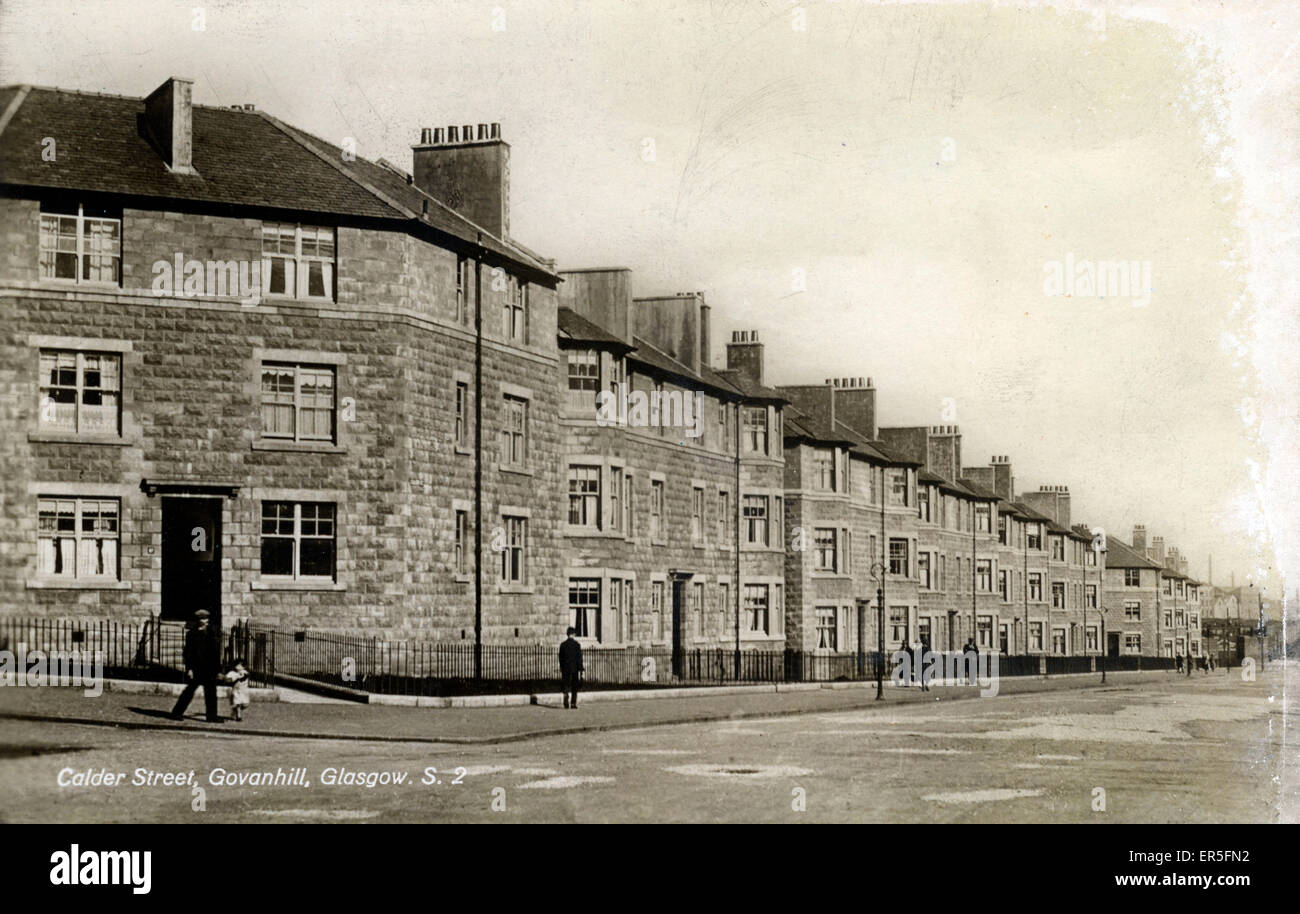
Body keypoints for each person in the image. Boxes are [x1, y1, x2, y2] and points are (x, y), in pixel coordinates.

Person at [170, 609, 222, 722]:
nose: (205, 621)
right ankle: (176, 713)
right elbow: (188, 653)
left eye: (206, 618)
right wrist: (189, 669)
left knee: (211, 693)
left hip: (209, 668)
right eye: (202, 619)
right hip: (197, 668)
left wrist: (218, 669)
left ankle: (212, 716)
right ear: (198, 620)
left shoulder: (212, 632)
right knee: (189, 691)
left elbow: (215, 652)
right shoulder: (192, 634)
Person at [558, 627, 584, 709]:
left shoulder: (563, 645)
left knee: (566, 684)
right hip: (574, 668)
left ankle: (566, 695)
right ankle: (573, 702)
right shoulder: (577, 645)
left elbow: (560, 658)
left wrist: (562, 667)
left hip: (565, 668)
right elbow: (579, 658)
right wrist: (581, 669)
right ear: (573, 634)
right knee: (574, 685)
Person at [225, 657, 251, 721]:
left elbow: (244, 676)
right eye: (237, 665)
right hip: (236, 691)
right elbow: (228, 679)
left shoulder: (244, 672)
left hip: (244, 691)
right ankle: (239, 717)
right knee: (238, 703)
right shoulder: (232, 673)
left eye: (240, 665)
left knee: (245, 704)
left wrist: (237, 676)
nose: (238, 666)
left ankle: (235, 710)